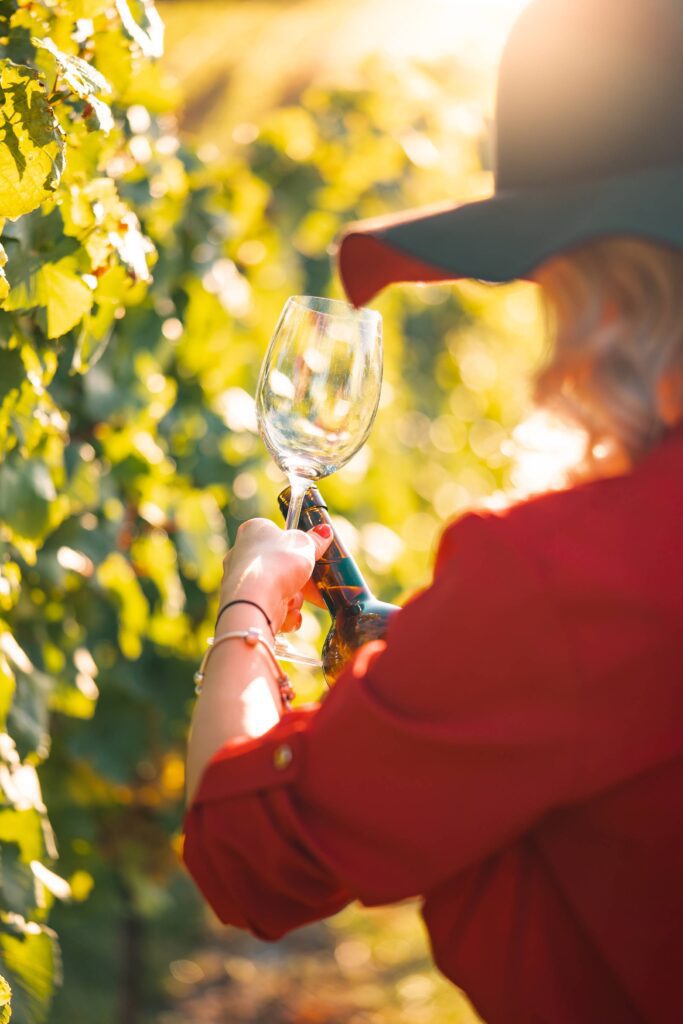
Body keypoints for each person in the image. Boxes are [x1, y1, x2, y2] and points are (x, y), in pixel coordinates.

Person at [183, 0, 683, 1021]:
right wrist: (421, 650)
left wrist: (247, 613)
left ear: (602, 284)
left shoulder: (557, 581)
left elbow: (251, 856)